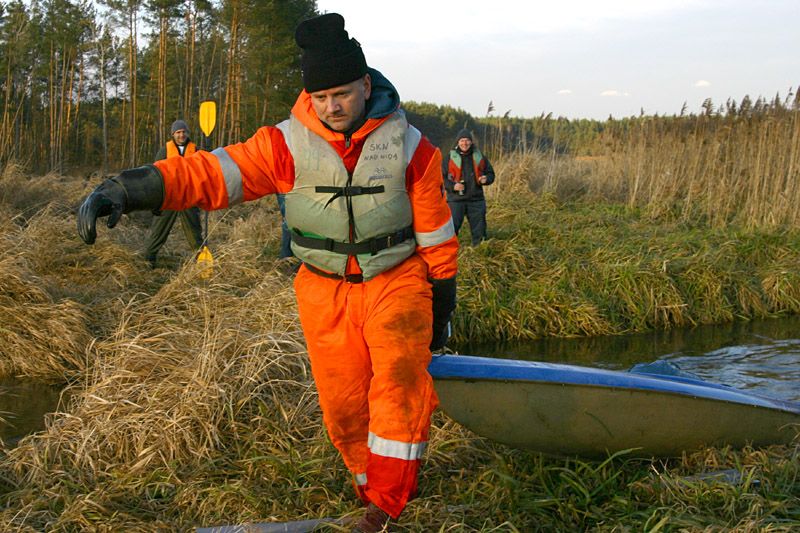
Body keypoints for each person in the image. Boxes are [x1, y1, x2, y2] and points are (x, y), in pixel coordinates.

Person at [77, 13, 457, 533]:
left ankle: (386, 508)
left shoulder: (414, 148)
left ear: (366, 86)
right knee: (344, 407)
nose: (332, 107)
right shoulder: (284, 145)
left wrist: (443, 300)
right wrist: (127, 188)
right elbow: (211, 173)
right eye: (321, 97)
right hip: (323, 290)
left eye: (343, 94)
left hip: (397, 279)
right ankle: (367, 484)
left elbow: (436, 233)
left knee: (397, 382)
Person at [144, 119, 204, 268]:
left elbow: (202, 173)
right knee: (158, 231)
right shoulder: (164, 152)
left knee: (194, 232)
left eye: (184, 132)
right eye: (178, 132)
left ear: (187, 133)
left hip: (189, 197)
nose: (181, 135)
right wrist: (156, 200)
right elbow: (156, 175)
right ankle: (148, 260)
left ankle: (202, 261)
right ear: (173, 134)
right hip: (169, 198)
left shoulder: (196, 151)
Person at [441, 129, 495, 246]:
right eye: (462, 141)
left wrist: (486, 179)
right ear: (458, 142)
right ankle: (449, 251)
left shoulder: (480, 157)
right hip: (455, 200)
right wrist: (453, 186)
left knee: (480, 231)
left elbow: (491, 174)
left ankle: (480, 250)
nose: (464, 143)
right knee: (451, 230)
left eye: (467, 141)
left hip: (476, 200)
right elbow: (440, 178)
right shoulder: (448, 159)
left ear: (471, 142)